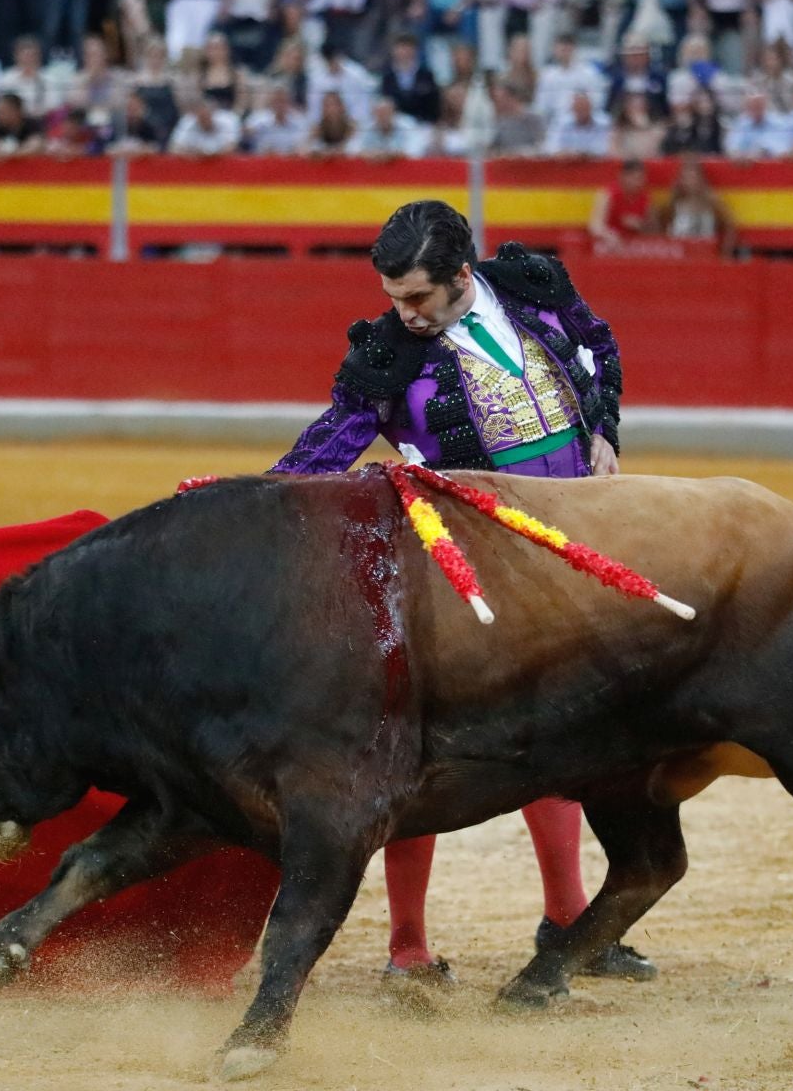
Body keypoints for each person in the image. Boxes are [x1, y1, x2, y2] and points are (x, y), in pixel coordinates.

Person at [270, 200, 653, 994]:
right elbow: (328, 445)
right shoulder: (387, 353)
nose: (403, 313)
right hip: (468, 561)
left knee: (564, 736)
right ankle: (408, 948)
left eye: (417, 296)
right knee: (419, 750)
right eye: (393, 296)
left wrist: (605, 430)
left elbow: (598, 347)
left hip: (571, 547)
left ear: (462, 274)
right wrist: (252, 506)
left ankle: (569, 922)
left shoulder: (534, 286)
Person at [658, 153, 735, 255]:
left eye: (693, 177)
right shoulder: (672, 204)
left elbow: (729, 227)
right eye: (686, 178)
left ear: (701, 179)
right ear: (680, 181)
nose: (690, 182)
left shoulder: (713, 203)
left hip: (707, 255)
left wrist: (725, 253)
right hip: (680, 256)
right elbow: (660, 227)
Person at [588, 156, 653, 248]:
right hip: (609, 243)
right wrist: (610, 235)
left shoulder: (645, 197)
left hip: (634, 245)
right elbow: (595, 226)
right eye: (636, 178)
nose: (639, 183)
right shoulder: (607, 195)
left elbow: (654, 230)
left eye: (641, 178)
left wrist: (640, 225)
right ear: (623, 176)